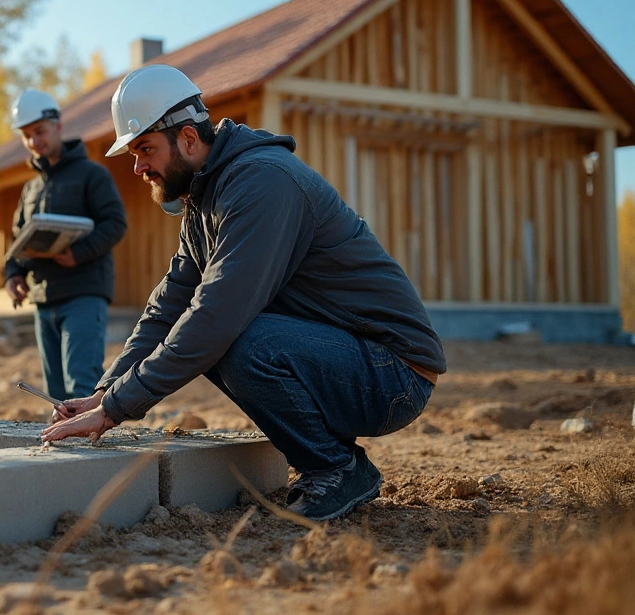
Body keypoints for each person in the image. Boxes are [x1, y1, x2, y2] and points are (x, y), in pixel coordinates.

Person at [41, 64, 445, 521]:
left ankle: (335, 467)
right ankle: (331, 460)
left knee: (231, 338)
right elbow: (170, 303)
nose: (138, 168)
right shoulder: (205, 196)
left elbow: (214, 316)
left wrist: (116, 409)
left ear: (189, 139)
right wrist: (105, 391)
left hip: (392, 374)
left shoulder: (261, 183)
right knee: (214, 334)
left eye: (145, 149)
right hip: (346, 359)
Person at [4, 89, 128, 401]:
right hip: (43, 298)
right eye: (27, 136)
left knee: (81, 382)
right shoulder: (31, 188)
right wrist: (12, 274)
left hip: (83, 293)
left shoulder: (92, 175)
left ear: (58, 126)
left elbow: (115, 223)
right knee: (55, 392)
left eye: (40, 132)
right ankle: (65, 446)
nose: (34, 141)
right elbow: (17, 239)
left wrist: (79, 254)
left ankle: (86, 446)